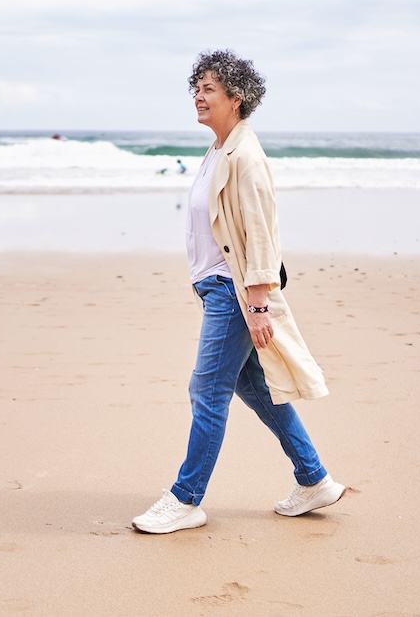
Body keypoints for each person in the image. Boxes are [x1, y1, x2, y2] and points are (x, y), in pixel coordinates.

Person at [132, 50, 343, 535]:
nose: (198, 96)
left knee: (206, 391)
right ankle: (314, 479)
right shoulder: (219, 149)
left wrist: (258, 303)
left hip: (233, 291)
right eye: (197, 88)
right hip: (217, 289)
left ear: (236, 98)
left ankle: (185, 499)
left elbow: (263, 234)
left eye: (209, 89)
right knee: (254, 388)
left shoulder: (245, 156)